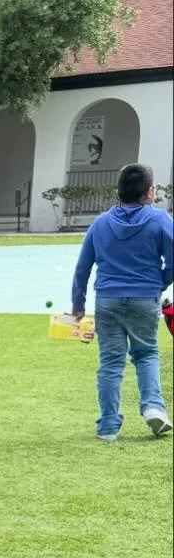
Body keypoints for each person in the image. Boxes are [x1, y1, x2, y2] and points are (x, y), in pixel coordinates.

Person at [70, 163, 173, 441]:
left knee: (111, 363)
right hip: (145, 298)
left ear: (119, 191)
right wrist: (161, 282)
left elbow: (82, 268)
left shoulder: (100, 223)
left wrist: (78, 305)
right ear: (150, 191)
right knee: (146, 354)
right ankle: (153, 407)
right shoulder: (160, 220)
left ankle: (108, 426)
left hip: (107, 299)